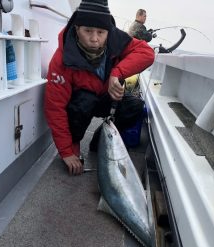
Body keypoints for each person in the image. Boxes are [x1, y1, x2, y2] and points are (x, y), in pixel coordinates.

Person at [44, 0, 155, 175]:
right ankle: (75, 144)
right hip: (81, 104)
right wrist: (66, 151)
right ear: (76, 29)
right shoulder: (62, 58)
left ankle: (99, 140)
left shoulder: (116, 39)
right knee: (83, 102)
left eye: (101, 32)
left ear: (108, 32)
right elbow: (55, 107)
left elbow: (147, 53)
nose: (95, 38)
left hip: (106, 97)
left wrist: (117, 73)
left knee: (135, 106)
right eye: (88, 31)